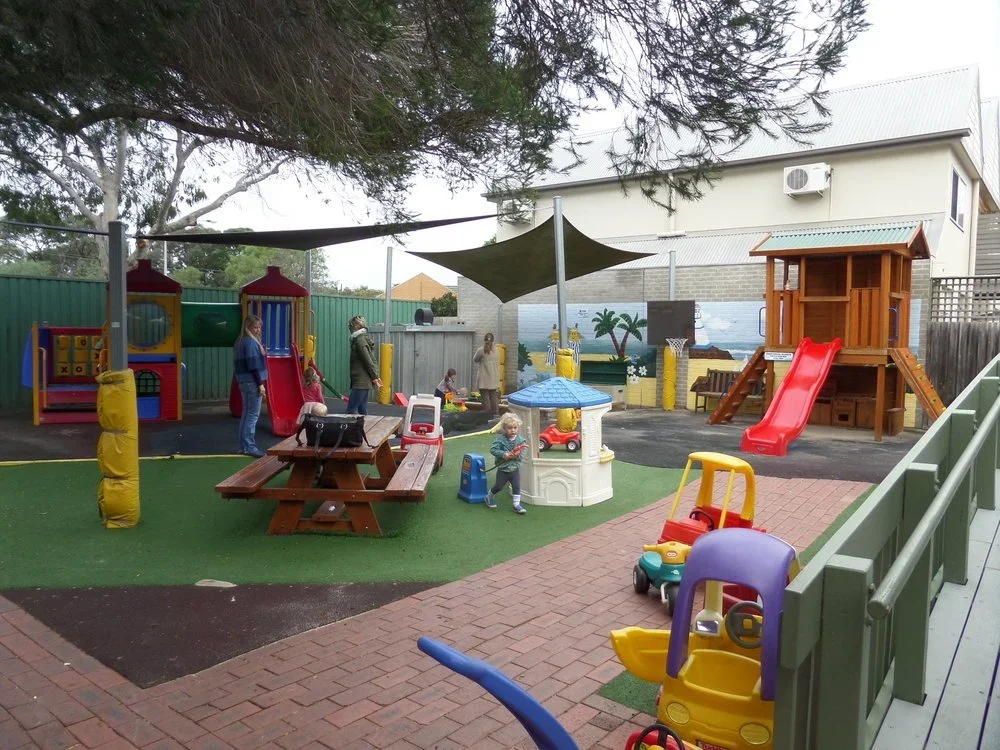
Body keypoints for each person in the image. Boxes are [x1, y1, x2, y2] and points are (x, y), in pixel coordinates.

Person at [233, 314, 268, 457]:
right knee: (252, 415)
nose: (258, 330)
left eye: (259, 327)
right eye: (255, 327)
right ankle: (250, 447)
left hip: (243, 381)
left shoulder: (240, 342)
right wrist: (260, 384)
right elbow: (253, 366)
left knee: (246, 414)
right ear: (248, 328)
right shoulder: (252, 343)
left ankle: (243, 446)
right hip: (252, 381)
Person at [485, 412, 528, 514]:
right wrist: (504, 454)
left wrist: (517, 455)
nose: (513, 430)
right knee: (499, 486)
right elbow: (493, 450)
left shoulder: (521, 440)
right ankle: (489, 496)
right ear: (504, 428)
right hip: (503, 468)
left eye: (515, 428)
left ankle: (516, 504)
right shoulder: (500, 440)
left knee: (516, 485)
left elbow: (524, 450)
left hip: (514, 468)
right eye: (510, 428)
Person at [347, 315, 382, 415]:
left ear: (355, 326)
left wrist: (375, 376)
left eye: (350, 326)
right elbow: (371, 360)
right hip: (363, 382)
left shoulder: (359, 341)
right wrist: (375, 376)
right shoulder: (361, 339)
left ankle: (355, 430)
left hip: (360, 382)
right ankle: (365, 429)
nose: (349, 328)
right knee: (362, 409)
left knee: (351, 410)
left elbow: (368, 360)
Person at [473, 332, 501, 418]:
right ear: (493, 340)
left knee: (485, 399)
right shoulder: (497, 350)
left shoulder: (481, 350)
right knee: (494, 397)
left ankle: (486, 416)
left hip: (484, 378)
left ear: (484, 340)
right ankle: (496, 415)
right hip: (494, 378)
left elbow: (475, 360)